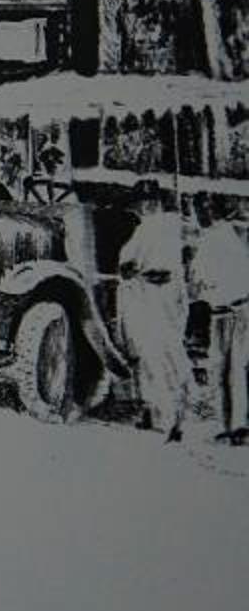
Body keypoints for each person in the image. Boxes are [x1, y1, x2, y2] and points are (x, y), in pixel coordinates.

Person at [115, 177, 196, 442]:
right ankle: (154, 411)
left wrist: (133, 272)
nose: (140, 207)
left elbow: (128, 266)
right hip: (163, 293)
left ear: (151, 202)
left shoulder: (155, 227)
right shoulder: (168, 225)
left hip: (156, 294)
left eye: (143, 202)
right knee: (156, 353)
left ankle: (172, 417)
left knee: (159, 354)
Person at [190, 204, 249, 448]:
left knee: (236, 368)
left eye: (203, 209)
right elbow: (198, 282)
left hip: (237, 310)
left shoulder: (229, 235)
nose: (201, 215)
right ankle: (228, 425)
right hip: (221, 312)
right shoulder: (210, 239)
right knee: (223, 369)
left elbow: (201, 280)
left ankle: (238, 425)